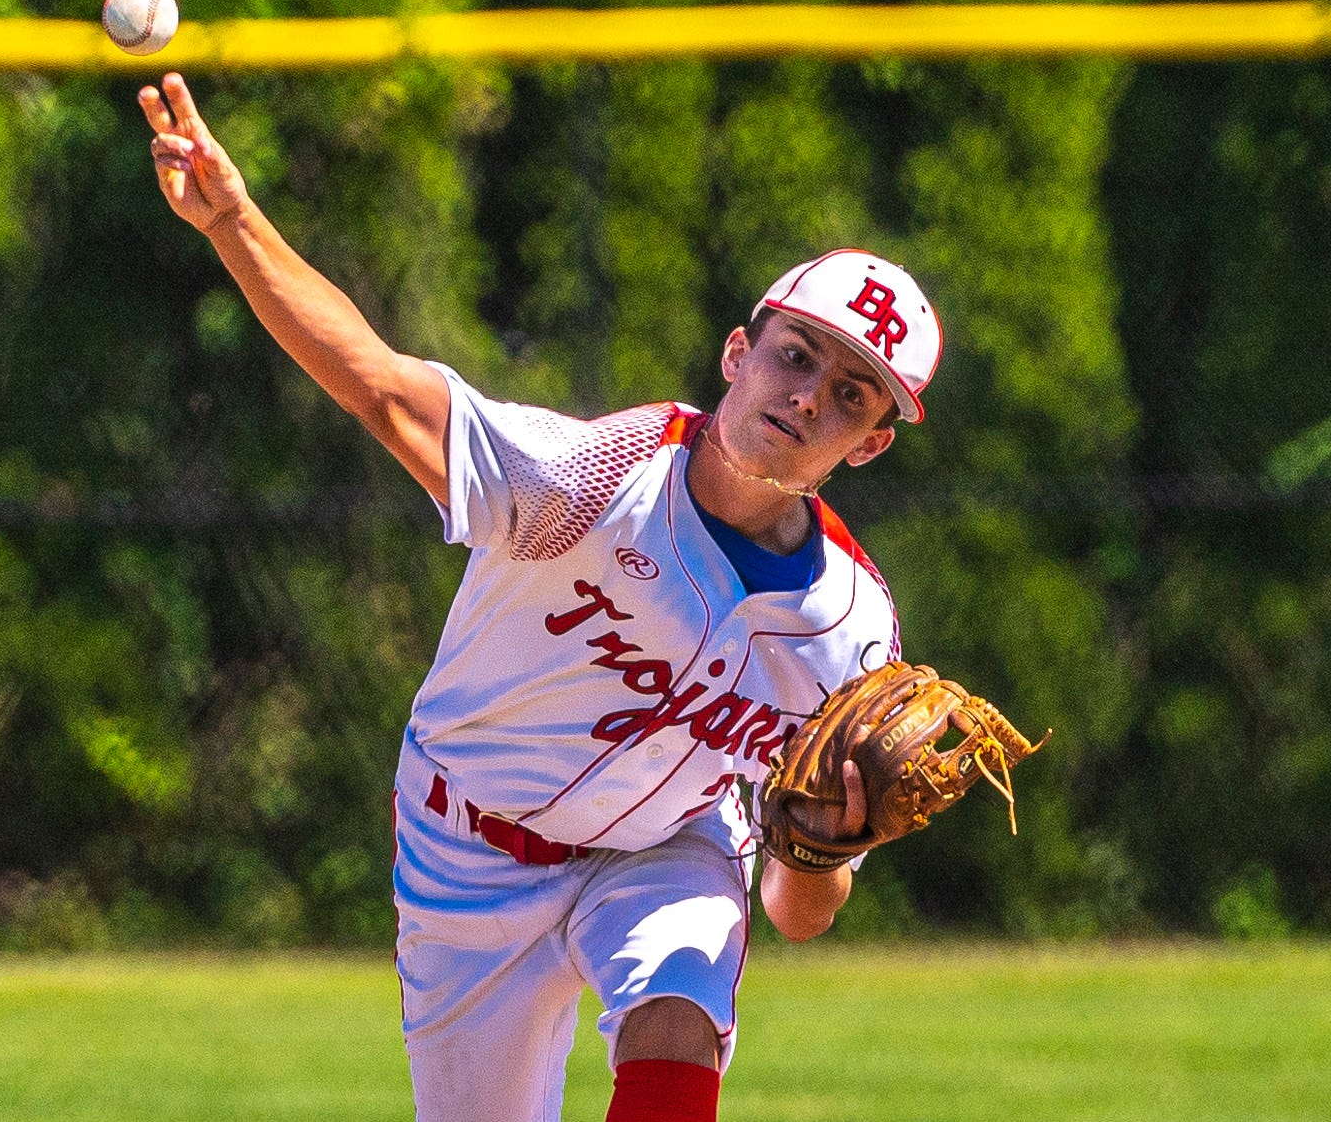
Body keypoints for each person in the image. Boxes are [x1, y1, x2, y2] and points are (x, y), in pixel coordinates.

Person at [139, 74, 941, 1122]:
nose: (805, 397)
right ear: (737, 355)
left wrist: (814, 846)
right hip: (469, 841)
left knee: (676, 1024)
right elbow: (377, 386)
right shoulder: (589, 477)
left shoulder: (851, 632)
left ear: (869, 442)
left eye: (848, 394)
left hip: (667, 845)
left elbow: (798, 911)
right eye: (794, 357)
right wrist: (233, 220)